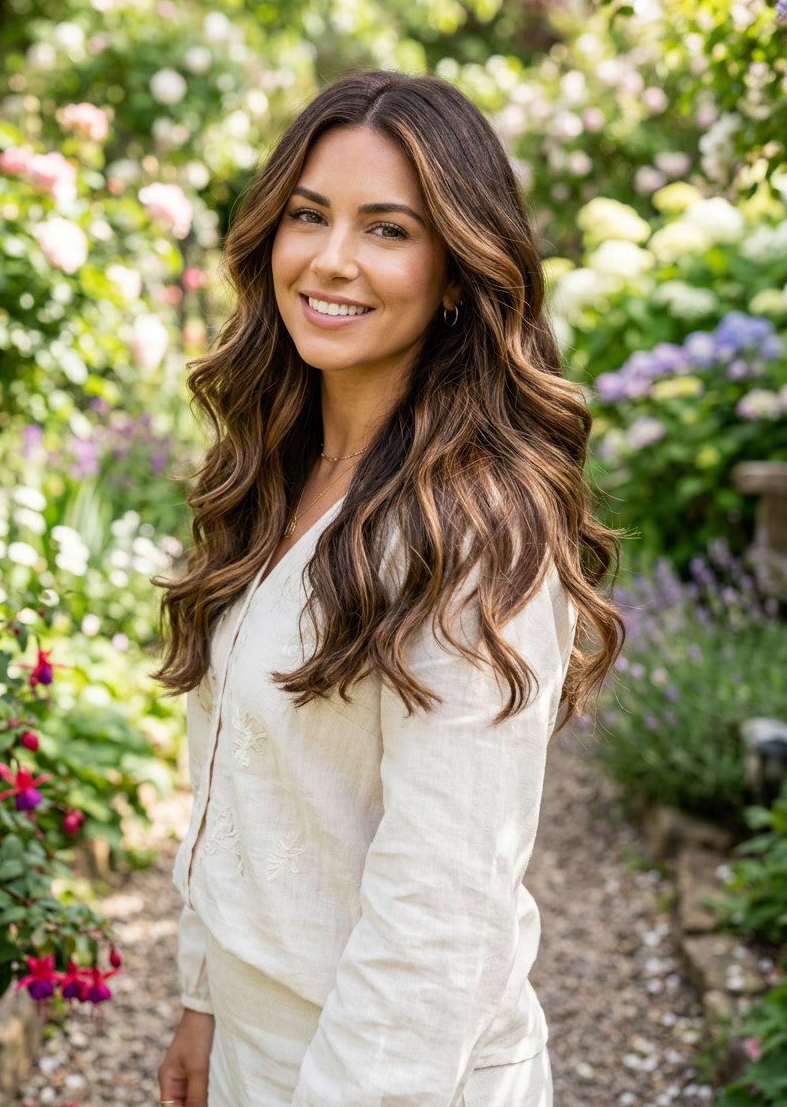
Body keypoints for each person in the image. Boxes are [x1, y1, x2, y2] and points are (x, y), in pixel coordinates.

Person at [153, 68, 625, 1107]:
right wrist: (205, 997)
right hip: (254, 1043)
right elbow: (234, 777)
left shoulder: (475, 536)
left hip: (385, 1070)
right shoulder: (274, 475)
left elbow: (440, 908)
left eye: (386, 230)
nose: (329, 259)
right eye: (308, 216)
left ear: (457, 272)